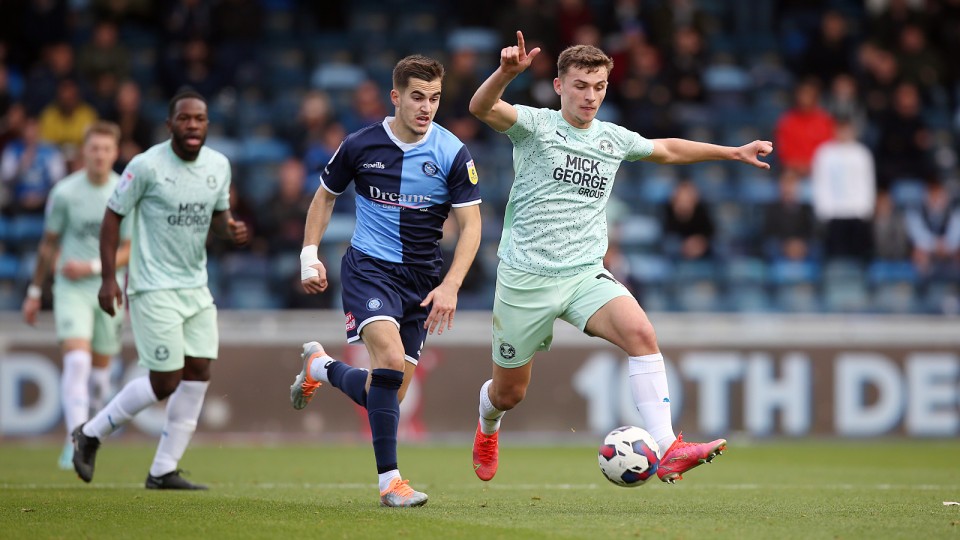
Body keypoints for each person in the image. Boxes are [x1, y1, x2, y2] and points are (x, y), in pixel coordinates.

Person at [468, 32, 772, 484]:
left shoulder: (612, 138)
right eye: (580, 86)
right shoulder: (535, 125)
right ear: (559, 86)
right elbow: (481, 108)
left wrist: (732, 152)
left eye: (599, 87)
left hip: (584, 275)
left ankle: (668, 447)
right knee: (509, 393)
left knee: (642, 333)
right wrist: (504, 74)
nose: (590, 96)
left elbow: (667, 149)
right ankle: (488, 424)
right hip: (526, 278)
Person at [290, 55, 482, 507]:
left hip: (422, 281)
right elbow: (324, 197)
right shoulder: (360, 145)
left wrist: (451, 285)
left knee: (387, 393)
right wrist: (309, 254)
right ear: (395, 97)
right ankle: (390, 483)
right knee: (391, 362)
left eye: (434, 98)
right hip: (369, 269)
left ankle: (321, 367)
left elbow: (472, 225)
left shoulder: (452, 152)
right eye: (417, 97)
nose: (426, 107)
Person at [71, 89, 249, 490]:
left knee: (199, 371)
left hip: (195, 286)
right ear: (169, 125)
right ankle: (91, 433)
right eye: (184, 118)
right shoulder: (146, 166)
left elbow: (219, 218)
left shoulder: (218, 165)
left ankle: (162, 470)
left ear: (207, 124)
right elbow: (112, 217)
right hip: (152, 286)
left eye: (199, 118)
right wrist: (107, 278)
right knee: (166, 379)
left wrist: (231, 229)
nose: (192, 125)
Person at [21, 121, 130, 470]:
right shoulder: (65, 193)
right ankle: (74, 440)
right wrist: (35, 291)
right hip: (70, 289)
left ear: (115, 153)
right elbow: (48, 243)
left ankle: (90, 434)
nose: (99, 155)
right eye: (94, 148)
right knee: (78, 362)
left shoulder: (124, 192)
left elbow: (130, 248)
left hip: (108, 287)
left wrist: (93, 267)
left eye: (106, 149)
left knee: (99, 378)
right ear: (84, 151)